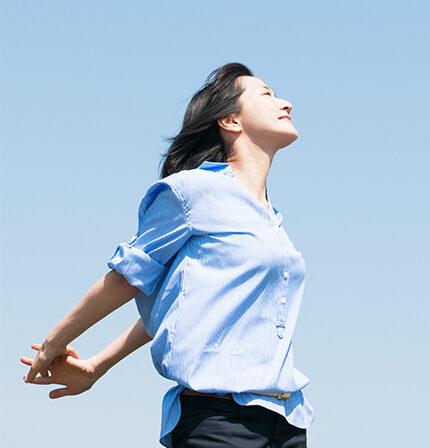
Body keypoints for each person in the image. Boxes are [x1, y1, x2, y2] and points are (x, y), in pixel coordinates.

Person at [20, 62, 313, 448]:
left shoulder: (272, 219)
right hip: (219, 423)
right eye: (267, 94)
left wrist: (95, 365)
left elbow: (177, 307)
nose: (285, 103)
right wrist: (55, 342)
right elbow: (127, 278)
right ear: (230, 120)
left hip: (287, 423)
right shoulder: (192, 192)